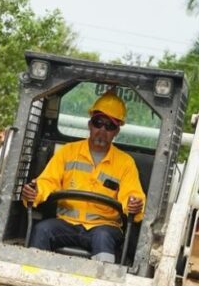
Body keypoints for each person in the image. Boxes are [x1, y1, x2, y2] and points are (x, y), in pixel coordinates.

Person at [21, 91, 145, 263]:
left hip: (105, 227)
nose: (102, 130)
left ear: (116, 131)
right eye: (98, 123)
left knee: (103, 237)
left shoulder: (125, 163)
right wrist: (35, 192)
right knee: (43, 229)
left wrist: (134, 203)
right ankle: (30, 278)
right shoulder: (68, 152)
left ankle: (101, 285)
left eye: (109, 126)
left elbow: (133, 194)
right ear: (89, 124)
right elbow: (48, 181)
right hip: (67, 223)